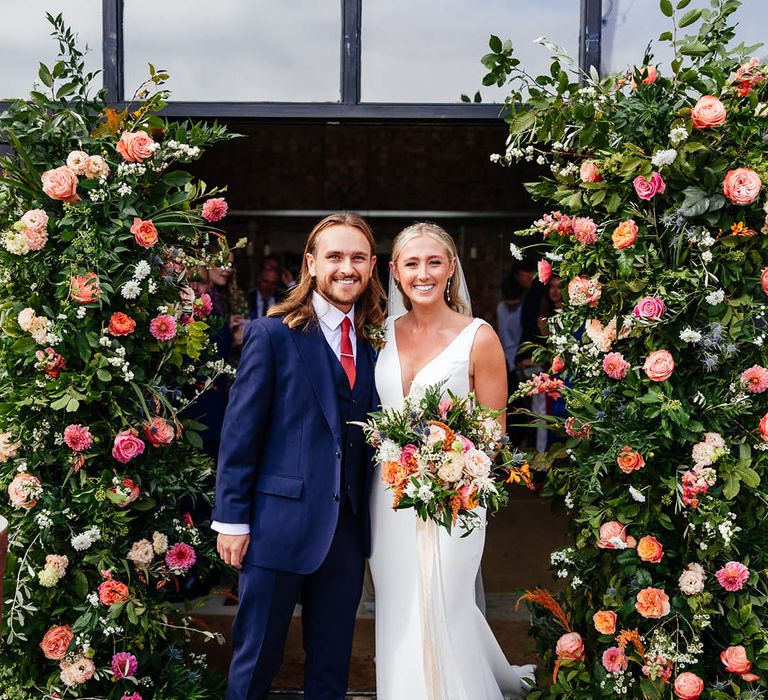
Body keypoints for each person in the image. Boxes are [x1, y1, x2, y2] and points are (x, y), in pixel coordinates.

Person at [212, 212, 386, 700]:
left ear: (372, 266)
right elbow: (240, 432)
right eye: (334, 256)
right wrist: (231, 520)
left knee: (330, 670)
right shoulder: (274, 334)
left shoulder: (376, 343)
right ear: (311, 263)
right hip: (275, 526)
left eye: (357, 257)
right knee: (255, 663)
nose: (345, 267)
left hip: (347, 532)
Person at [369, 221, 535, 700]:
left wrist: (448, 467)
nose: (423, 273)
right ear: (395, 272)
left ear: (450, 270)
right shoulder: (380, 335)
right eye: (412, 263)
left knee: (445, 604)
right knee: (399, 605)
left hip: (455, 497)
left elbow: (494, 431)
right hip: (389, 497)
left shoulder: (477, 337)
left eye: (434, 262)